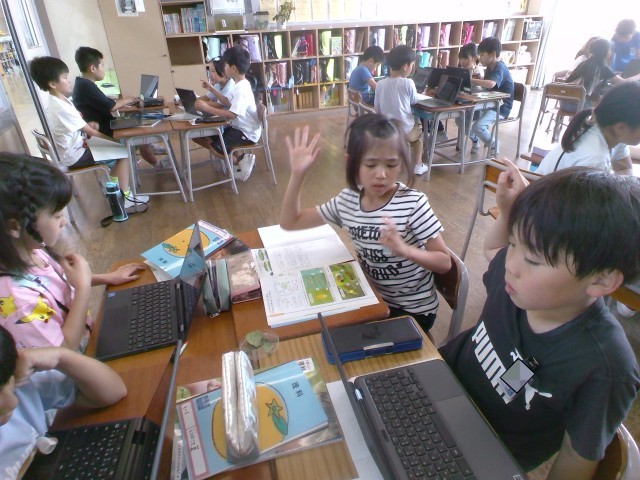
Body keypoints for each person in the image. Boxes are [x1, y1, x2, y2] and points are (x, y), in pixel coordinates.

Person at [440, 161, 640, 478]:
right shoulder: (516, 283)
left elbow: (576, 456)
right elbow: (494, 248)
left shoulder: (605, 367)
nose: (512, 264)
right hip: (437, 386)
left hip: (477, 457)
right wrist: (508, 211)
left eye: (533, 259)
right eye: (515, 243)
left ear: (601, 280)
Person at [279, 116, 451, 333]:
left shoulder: (413, 203)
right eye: (370, 164)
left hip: (412, 311)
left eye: (391, 164)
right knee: (314, 329)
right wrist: (297, 175)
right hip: (371, 298)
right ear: (352, 163)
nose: (381, 174)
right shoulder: (348, 200)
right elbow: (290, 222)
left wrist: (404, 250)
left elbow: (444, 262)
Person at [0, 153, 146, 351]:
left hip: (87, 340)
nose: (64, 222)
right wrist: (83, 288)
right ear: (14, 226)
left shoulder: (29, 249)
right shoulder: (17, 301)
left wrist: (107, 278)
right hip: (77, 363)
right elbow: (64, 351)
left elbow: (53, 283)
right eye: (57, 215)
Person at [0, 325, 127, 478]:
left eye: (8, 385)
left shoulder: (13, 377)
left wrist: (60, 357)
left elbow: (114, 391)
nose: (13, 403)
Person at [28, 56, 148, 209]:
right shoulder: (60, 107)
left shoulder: (58, 101)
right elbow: (92, 132)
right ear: (52, 84)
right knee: (122, 152)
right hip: (75, 156)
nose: (69, 81)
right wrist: (112, 141)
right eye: (64, 78)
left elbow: (78, 126)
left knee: (118, 150)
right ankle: (124, 197)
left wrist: (88, 126)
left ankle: (113, 185)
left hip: (75, 148)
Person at [71, 46, 160, 167]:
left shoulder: (82, 83)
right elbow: (110, 106)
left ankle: (148, 145)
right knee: (143, 126)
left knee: (137, 119)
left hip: (105, 126)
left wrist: (123, 103)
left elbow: (104, 102)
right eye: (102, 66)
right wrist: (131, 99)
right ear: (93, 68)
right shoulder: (85, 85)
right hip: (105, 131)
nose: (104, 69)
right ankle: (155, 160)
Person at [536, 82, 640, 175]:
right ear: (620, 127)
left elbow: (625, 168)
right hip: (545, 190)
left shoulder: (611, 133)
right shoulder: (596, 161)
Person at [194, 46, 262, 183]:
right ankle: (241, 160)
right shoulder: (239, 84)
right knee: (213, 138)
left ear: (233, 68)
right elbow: (226, 101)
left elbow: (232, 115)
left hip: (246, 132)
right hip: (239, 128)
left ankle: (240, 163)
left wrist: (207, 107)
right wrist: (212, 89)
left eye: (225, 66)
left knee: (216, 149)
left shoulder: (241, 89)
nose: (224, 69)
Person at [374, 45, 429, 176]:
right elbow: (414, 100)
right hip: (405, 129)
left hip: (388, 129)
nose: (412, 68)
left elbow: (377, 108)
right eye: (412, 65)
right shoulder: (408, 83)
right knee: (418, 136)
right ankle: (418, 165)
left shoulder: (380, 84)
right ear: (405, 66)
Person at [561, 38, 640, 112]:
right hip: (578, 105)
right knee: (607, 106)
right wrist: (638, 76)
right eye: (610, 49)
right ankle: (587, 121)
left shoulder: (585, 62)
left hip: (564, 103)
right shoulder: (602, 67)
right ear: (606, 51)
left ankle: (583, 120)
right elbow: (623, 82)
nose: (611, 52)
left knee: (598, 99)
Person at [467, 37, 514, 155]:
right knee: (463, 118)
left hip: (501, 108)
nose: (480, 58)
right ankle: (475, 140)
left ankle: (493, 144)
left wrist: (471, 80)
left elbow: (491, 84)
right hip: (489, 103)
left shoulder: (500, 67)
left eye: (482, 55)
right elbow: (487, 87)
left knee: (477, 126)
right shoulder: (489, 67)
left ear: (492, 54)